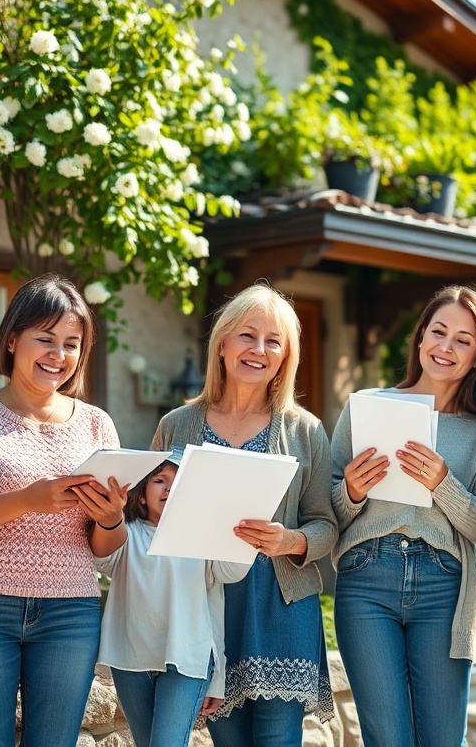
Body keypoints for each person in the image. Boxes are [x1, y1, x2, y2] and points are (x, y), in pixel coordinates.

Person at [0, 273, 127, 747]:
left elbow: (106, 547)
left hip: (69, 614)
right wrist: (25, 500)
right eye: (46, 339)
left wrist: (112, 517)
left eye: (72, 343)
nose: (59, 354)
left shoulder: (97, 425)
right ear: (13, 339)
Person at [150, 284, 336, 747]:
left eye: (274, 341)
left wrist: (289, 541)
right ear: (222, 343)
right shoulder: (176, 425)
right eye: (247, 336)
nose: (259, 350)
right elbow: (147, 518)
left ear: (286, 356)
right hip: (207, 610)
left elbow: (327, 524)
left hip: (280, 608)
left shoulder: (305, 429)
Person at [329, 285, 476, 747]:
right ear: (420, 338)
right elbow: (323, 510)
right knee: (388, 738)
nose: (445, 347)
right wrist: (351, 489)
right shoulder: (366, 405)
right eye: (438, 332)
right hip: (366, 578)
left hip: (444, 584)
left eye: (462, 340)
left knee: (444, 739)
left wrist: (443, 483)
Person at [88, 448, 251, 747]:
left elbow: (232, 572)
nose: (169, 488)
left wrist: (219, 677)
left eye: (178, 481)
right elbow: (102, 557)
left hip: (187, 662)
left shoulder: (202, 537)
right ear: (140, 495)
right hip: (130, 661)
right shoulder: (126, 534)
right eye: (159, 481)